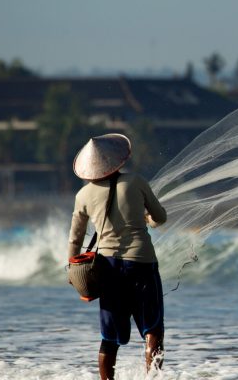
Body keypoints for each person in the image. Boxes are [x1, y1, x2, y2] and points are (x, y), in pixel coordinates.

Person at [67, 133, 169, 380]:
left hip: (108, 268)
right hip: (141, 261)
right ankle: (152, 378)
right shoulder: (136, 181)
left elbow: (75, 240)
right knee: (152, 328)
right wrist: (147, 220)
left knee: (109, 337)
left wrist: (72, 271)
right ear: (117, 160)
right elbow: (160, 217)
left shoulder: (83, 196)